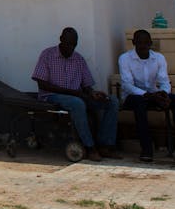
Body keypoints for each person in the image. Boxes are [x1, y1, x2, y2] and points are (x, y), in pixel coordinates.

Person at [31, 27, 120, 161]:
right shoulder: (47, 55)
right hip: (52, 96)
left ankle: (105, 145)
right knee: (77, 103)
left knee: (112, 101)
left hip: (77, 94)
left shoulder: (78, 59)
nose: (71, 48)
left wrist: (93, 93)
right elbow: (42, 84)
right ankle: (90, 147)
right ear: (61, 40)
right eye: (68, 44)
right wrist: (73, 93)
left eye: (74, 45)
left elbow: (87, 85)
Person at [119, 29, 175, 162]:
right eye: (139, 42)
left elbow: (164, 81)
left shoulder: (158, 58)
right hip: (133, 96)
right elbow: (127, 85)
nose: (143, 46)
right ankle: (146, 149)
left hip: (154, 94)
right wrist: (148, 95)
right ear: (134, 43)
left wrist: (164, 95)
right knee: (140, 103)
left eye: (146, 43)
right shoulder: (125, 58)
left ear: (150, 43)